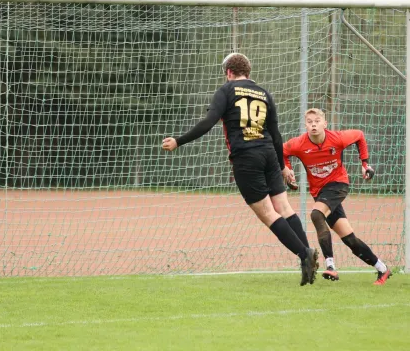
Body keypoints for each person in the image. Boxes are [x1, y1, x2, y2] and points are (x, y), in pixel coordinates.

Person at [162, 53, 319, 286]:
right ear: (248, 71)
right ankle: (307, 254)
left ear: (228, 72)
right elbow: (276, 136)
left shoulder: (226, 91)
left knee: (268, 213)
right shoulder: (264, 94)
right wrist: (283, 166)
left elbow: (207, 123)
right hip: (267, 154)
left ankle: (304, 255)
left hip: (247, 158)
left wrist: (179, 140)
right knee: (284, 207)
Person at [282, 108, 392, 285]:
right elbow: (282, 152)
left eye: (317, 121)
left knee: (316, 215)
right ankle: (383, 269)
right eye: (309, 122)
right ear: (305, 125)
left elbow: (359, 135)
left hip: (338, 185)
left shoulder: (337, 138)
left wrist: (365, 164)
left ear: (325, 124)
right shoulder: (299, 144)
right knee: (350, 240)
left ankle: (330, 266)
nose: (313, 124)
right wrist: (287, 171)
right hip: (320, 192)